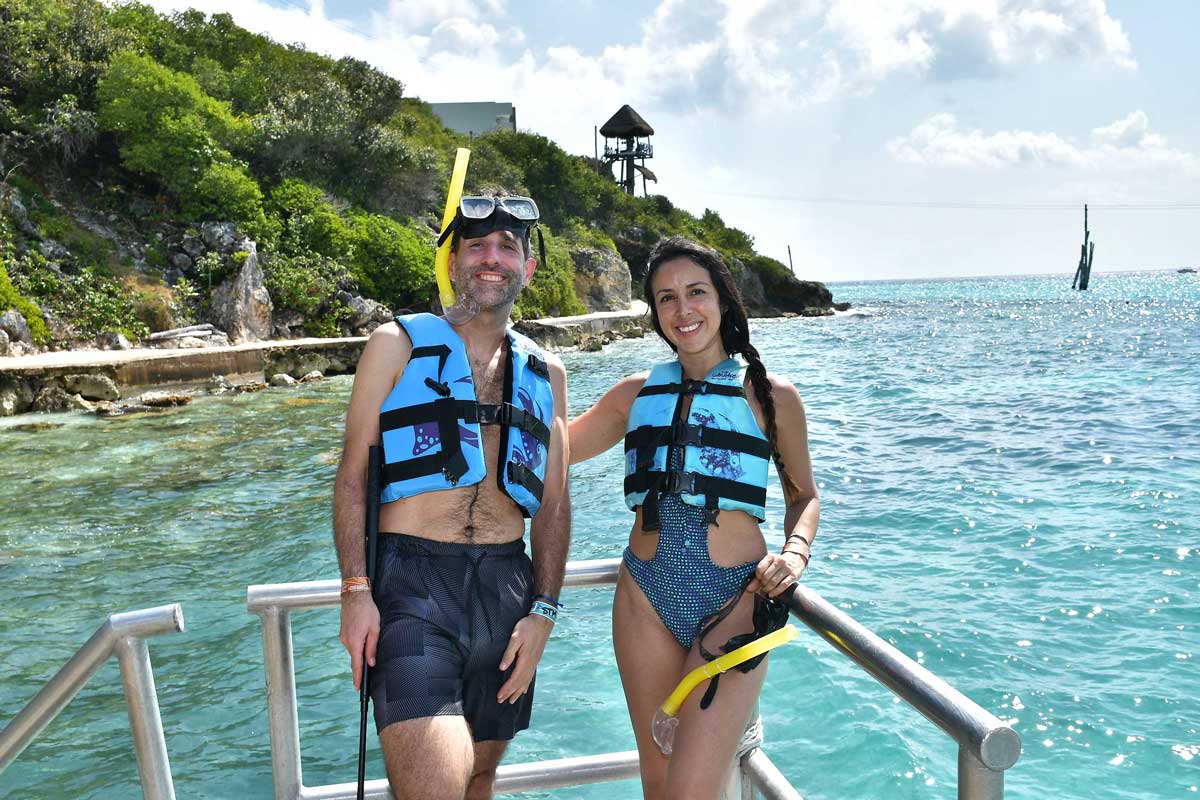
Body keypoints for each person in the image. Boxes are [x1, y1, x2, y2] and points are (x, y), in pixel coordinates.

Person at [333, 191, 571, 800]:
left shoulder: (546, 372)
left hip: (506, 590)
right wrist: (356, 592)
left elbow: (553, 505)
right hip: (412, 587)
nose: (491, 259)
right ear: (454, 261)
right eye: (476, 247)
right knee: (435, 785)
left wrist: (544, 611)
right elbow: (354, 473)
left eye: (507, 248)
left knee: (481, 778)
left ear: (528, 268)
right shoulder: (397, 344)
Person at [569, 236, 819, 799]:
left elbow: (804, 497)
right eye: (666, 298)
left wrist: (795, 553)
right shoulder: (634, 394)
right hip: (645, 598)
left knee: (692, 790)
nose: (683, 311)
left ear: (723, 300)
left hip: (737, 600)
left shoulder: (770, 396)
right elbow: (549, 447)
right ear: (655, 313)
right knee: (658, 785)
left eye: (696, 293)